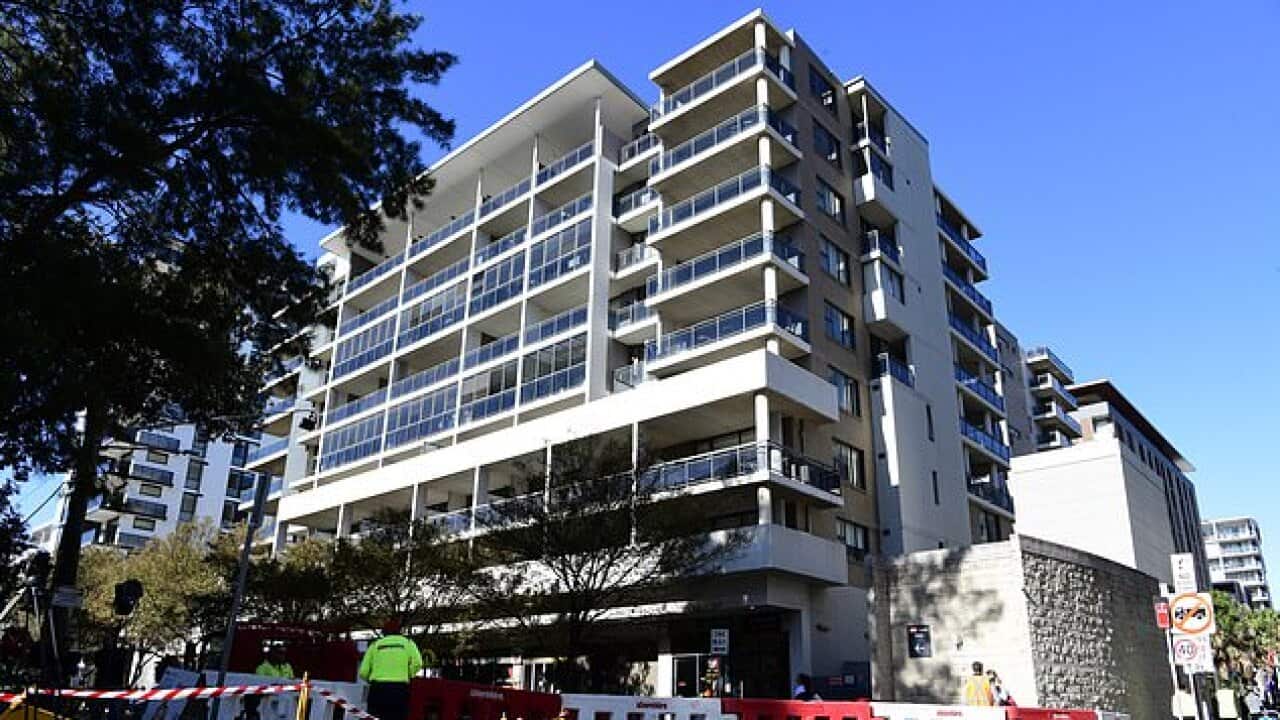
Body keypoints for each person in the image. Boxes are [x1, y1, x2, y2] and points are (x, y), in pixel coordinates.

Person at [359, 619, 424, 720]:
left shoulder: (375, 645)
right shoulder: (408, 643)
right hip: (399, 689)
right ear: (399, 631)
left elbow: (363, 671)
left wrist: (370, 680)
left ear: (384, 632)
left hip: (377, 689)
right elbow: (418, 663)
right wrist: (408, 674)